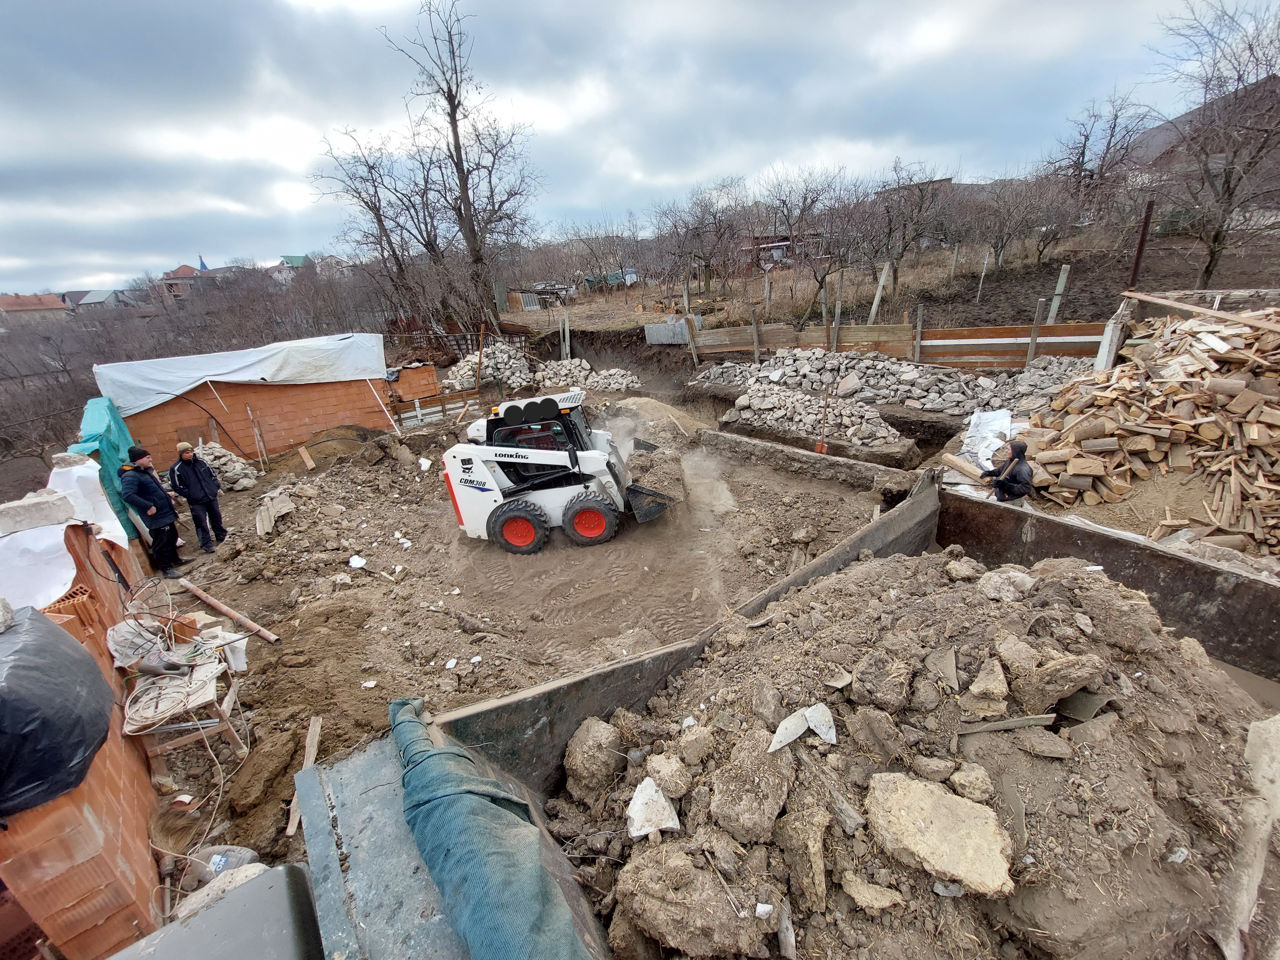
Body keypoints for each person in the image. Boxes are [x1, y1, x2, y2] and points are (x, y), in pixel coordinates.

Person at [119, 446, 188, 578]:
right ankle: (166, 569)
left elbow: (152, 490)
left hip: (164, 512)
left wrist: (166, 493)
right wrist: (148, 506)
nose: (151, 459)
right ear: (138, 460)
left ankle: (175, 560)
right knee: (161, 542)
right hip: (155, 516)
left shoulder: (144, 472)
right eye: (147, 457)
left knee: (172, 537)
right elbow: (128, 495)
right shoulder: (130, 476)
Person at [169, 441, 228, 553]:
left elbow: (212, 475)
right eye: (186, 452)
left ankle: (221, 536)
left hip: (210, 496)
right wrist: (191, 495)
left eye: (191, 451)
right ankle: (206, 544)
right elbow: (177, 486)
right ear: (181, 454)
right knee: (201, 522)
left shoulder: (201, 462)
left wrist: (215, 487)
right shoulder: (176, 469)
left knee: (216, 517)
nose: (190, 454)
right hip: (196, 501)